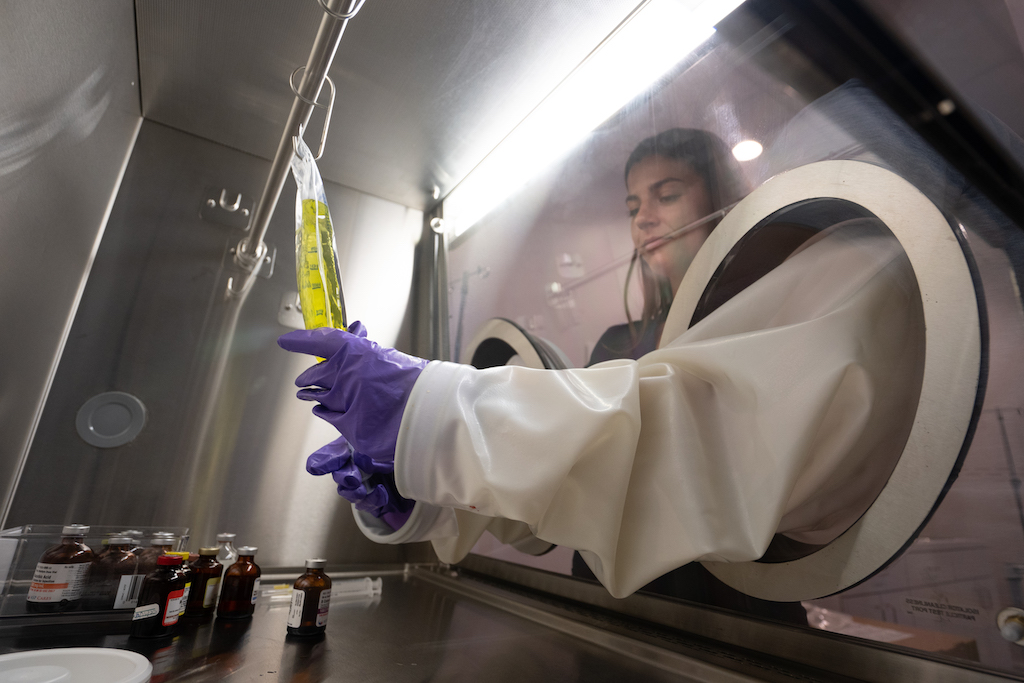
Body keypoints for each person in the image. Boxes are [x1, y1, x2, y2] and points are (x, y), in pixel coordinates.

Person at [278, 131, 924, 602]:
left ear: (725, 201)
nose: (645, 216)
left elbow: (698, 446)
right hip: (607, 612)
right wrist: (419, 490)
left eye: (668, 194)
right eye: (632, 204)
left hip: (730, 621)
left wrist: (430, 412)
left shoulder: (807, 295)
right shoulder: (621, 340)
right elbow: (575, 479)